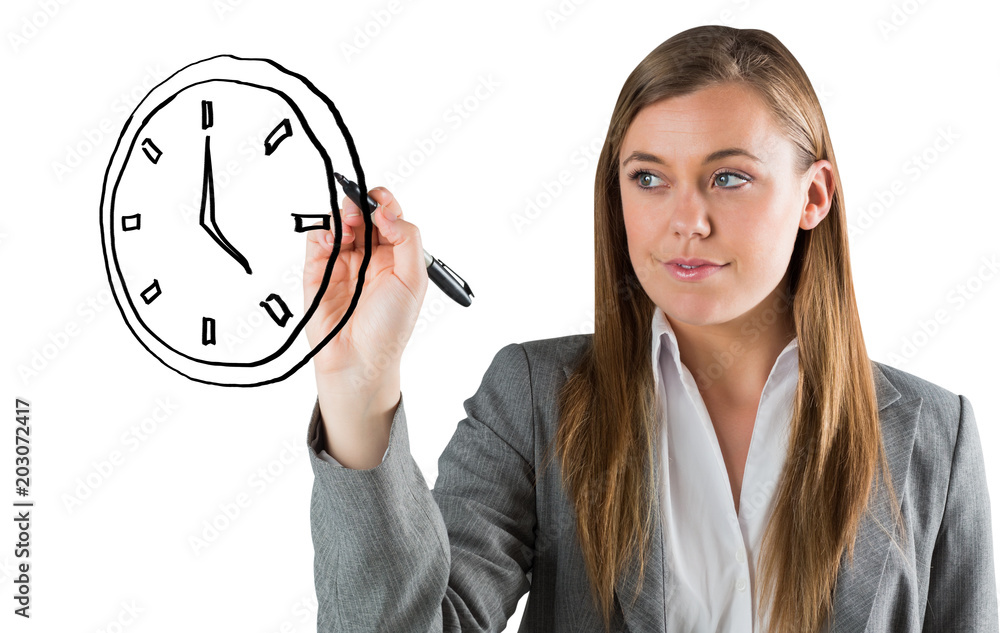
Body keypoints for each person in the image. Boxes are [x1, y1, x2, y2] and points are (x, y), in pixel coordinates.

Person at [301, 24, 998, 633]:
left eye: (728, 178)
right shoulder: (535, 399)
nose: (686, 221)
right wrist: (359, 384)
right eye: (649, 179)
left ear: (813, 196)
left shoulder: (937, 435)